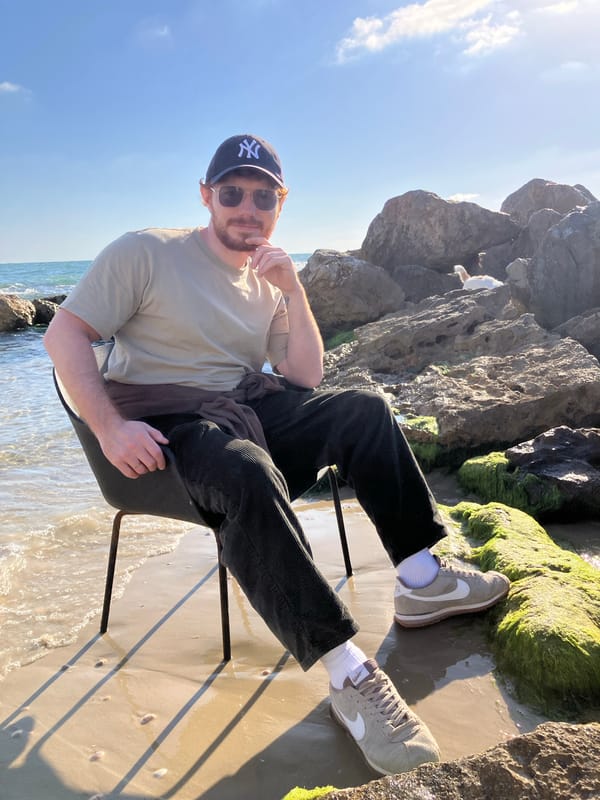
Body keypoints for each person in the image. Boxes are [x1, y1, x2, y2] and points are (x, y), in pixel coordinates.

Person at [44, 134, 510, 776]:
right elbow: (64, 333)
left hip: (240, 412)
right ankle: (348, 676)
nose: (247, 207)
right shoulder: (146, 251)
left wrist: (293, 290)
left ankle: (423, 581)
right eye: (231, 193)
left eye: (264, 196)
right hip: (155, 433)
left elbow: (305, 377)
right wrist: (108, 428)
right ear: (206, 197)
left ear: (280, 205)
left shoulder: (266, 277)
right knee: (245, 469)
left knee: (364, 410)